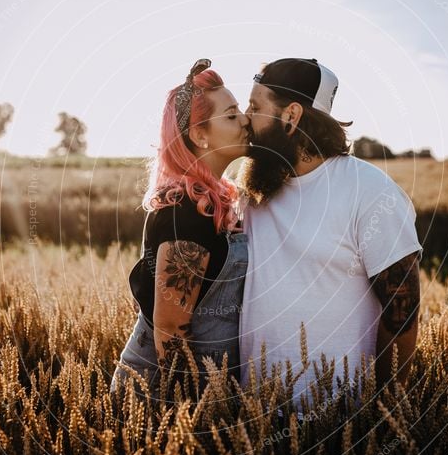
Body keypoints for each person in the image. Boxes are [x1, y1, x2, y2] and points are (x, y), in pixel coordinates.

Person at [238, 57, 423, 408]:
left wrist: (384, 413)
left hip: (338, 424)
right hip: (252, 418)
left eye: (254, 106)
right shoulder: (253, 192)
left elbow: (402, 314)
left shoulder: (370, 192)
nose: (246, 117)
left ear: (291, 116)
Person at [110, 58, 251, 402]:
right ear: (200, 134)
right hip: (160, 395)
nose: (246, 120)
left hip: (209, 388)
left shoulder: (212, 201)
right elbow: (171, 330)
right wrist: (188, 414)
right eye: (231, 115)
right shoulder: (184, 213)